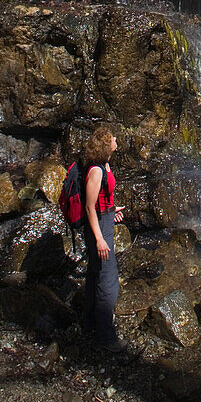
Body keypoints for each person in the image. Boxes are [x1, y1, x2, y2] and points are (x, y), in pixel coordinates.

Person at [82, 126, 126, 352]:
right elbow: (89, 207)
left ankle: (89, 324)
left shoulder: (105, 165)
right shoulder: (96, 171)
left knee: (95, 274)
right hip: (98, 228)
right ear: (105, 145)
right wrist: (100, 239)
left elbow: (101, 199)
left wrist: (111, 209)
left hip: (105, 219)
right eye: (112, 138)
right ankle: (107, 338)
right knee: (108, 281)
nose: (116, 140)